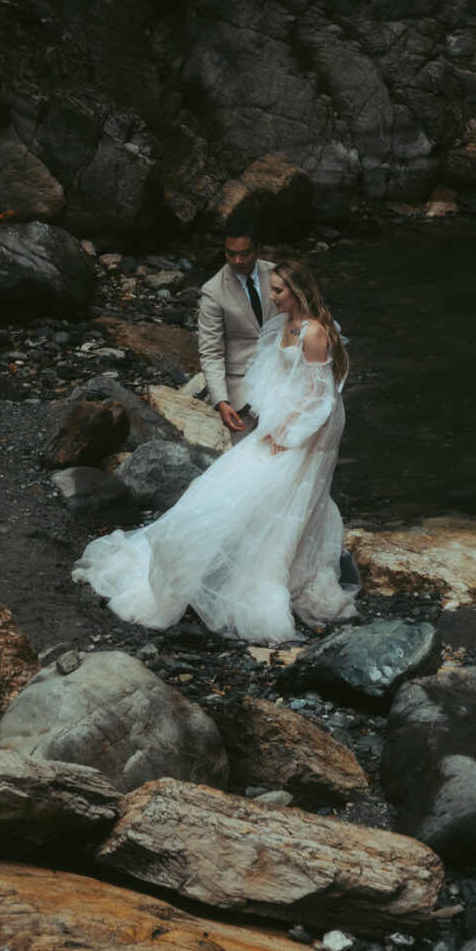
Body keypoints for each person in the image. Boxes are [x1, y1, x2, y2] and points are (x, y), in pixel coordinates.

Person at [73, 259, 358, 645]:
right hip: (285, 418)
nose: (271, 296)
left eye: (278, 290)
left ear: (299, 290)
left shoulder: (314, 332)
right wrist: (270, 420)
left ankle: (271, 572)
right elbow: (279, 377)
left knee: (289, 492)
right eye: (271, 289)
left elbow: (319, 392)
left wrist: (289, 431)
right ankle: (198, 556)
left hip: (310, 424)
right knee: (235, 482)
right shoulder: (285, 324)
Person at [198, 216, 276, 443]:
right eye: (230, 253)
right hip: (241, 399)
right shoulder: (212, 291)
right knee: (247, 470)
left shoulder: (278, 275)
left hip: (282, 389)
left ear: (258, 249)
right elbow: (210, 352)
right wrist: (221, 401)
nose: (238, 260)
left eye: (245, 253)